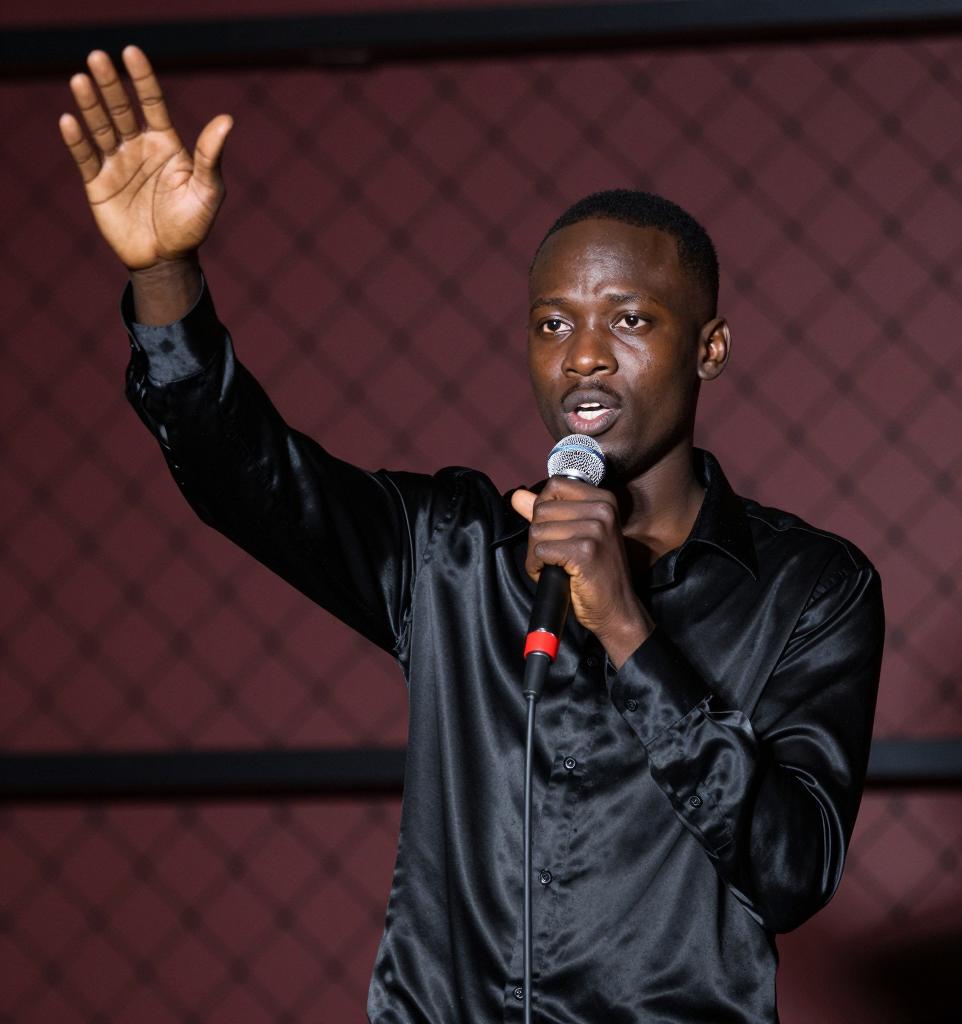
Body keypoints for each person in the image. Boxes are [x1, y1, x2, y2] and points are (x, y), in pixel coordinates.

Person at [60, 47, 884, 1024]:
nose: (584, 355)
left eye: (628, 319)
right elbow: (248, 479)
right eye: (551, 324)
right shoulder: (450, 550)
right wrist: (164, 276)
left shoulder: (811, 587)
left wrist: (627, 632)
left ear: (709, 347)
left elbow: (792, 868)